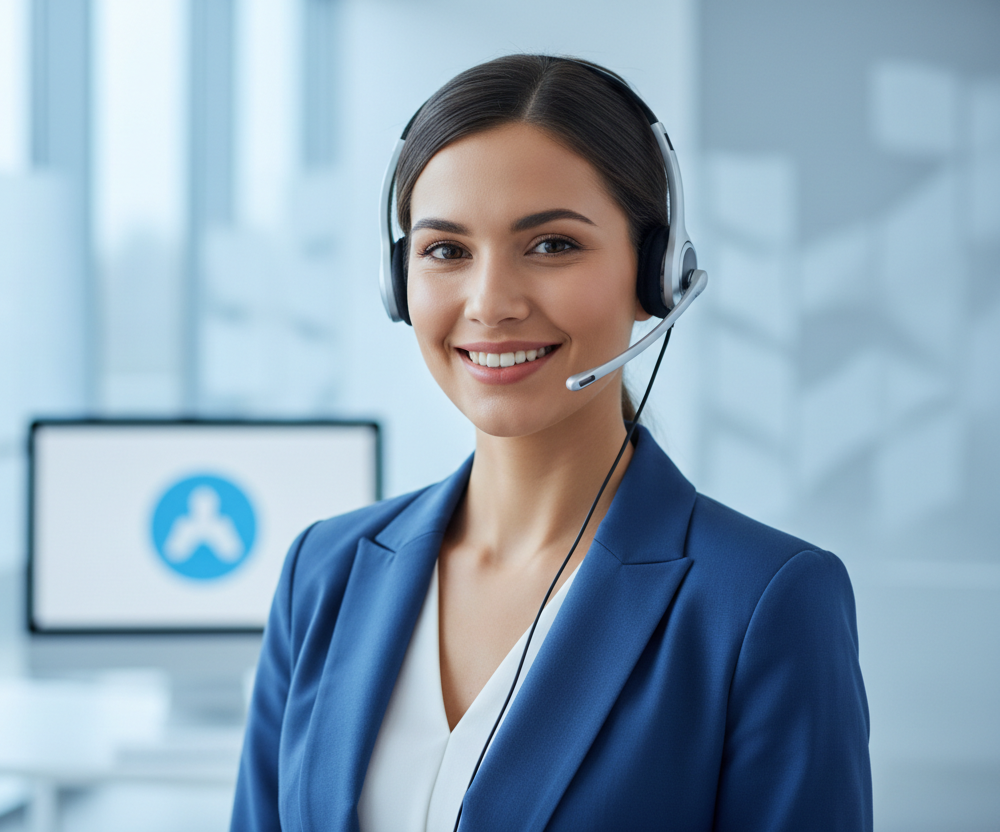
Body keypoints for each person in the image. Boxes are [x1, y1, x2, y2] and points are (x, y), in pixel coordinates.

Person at [230, 54, 871, 831]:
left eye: (552, 245)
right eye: (446, 250)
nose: (491, 303)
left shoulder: (764, 602)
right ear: (399, 282)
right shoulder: (323, 574)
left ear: (656, 275)